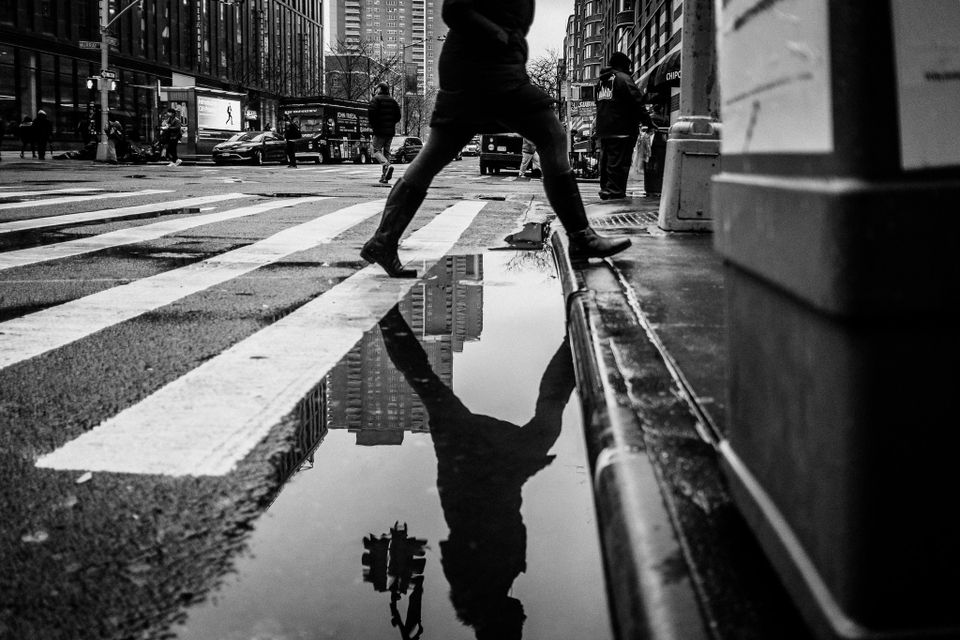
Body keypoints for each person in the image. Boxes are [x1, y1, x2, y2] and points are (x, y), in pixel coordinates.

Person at [360, 0, 632, 278]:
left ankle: (384, 240)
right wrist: (499, 35)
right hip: (485, 70)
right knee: (551, 135)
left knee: (436, 152)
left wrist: (511, 42)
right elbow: (454, 9)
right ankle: (580, 236)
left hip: (479, 69)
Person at [378, 305, 574, 640]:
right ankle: (386, 317)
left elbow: (485, 530)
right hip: (475, 473)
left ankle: (574, 341)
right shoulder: (484, 588)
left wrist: (512, 478)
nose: (523, 616)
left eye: (518, 625)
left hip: (483, 472)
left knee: (546, 417)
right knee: (426, 384)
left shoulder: (482, 585)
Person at [593, 51, 653, 200]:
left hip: (604, 128)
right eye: (628, 66)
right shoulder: (623, 79)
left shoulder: (601, 82)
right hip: (622, 128)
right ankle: (615, 191)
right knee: (619, 162)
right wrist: (647, 120)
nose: (630, 69)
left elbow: (598, 103)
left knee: (606, 160)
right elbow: (636, 101)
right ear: (622, 65)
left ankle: (606, 189)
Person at [368, 82, 401, 185]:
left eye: (377, 89)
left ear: (380, 89)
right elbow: (398, 116)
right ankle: (384, 177)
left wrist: (374, 126)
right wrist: (391, 124)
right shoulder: (393, 101)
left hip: (379, 131)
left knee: (375, 150)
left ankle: (386, 164)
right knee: (386, 152)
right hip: (390, 131)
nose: (376, 90)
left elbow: (371, 114)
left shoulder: (376, 100)